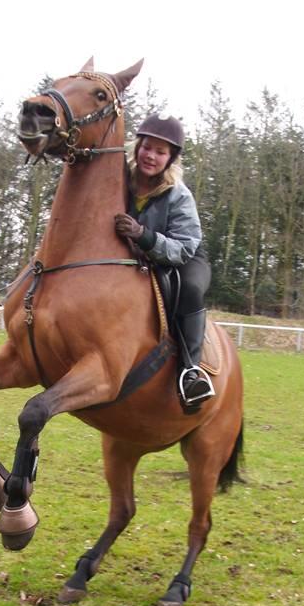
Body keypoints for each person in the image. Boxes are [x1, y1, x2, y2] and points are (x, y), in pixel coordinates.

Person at [114, 114, 214, 408]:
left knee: (190, 289)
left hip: (184, 258)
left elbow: (183, 248)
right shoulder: (121, 179)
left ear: (171, 159)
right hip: (134, 256)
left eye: (160, 152)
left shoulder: (179, 196)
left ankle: (190, 372)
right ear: (137, 146)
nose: (151, 156)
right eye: (147, 147)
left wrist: (144, 236)